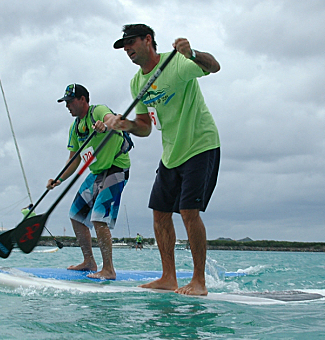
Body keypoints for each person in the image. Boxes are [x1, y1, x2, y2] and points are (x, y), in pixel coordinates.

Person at [108, 24, 221, 295]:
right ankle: (168, 277)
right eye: (123, 46)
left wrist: (192, 53)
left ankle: (199, 281)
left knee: (188, 212)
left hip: (200, 144)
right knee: (159, 213)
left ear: (148, 40)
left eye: (131, 42)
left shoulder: (178, 64)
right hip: (171, 152)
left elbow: (214, 66)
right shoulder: (137, 82)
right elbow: (145, 126)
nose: (127, 49)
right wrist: (126, 125)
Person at [47, 83, 131, 280]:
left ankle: (108, 269)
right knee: (76, 215)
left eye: (70, 101)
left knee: (98, 218)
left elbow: (113, 119)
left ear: (82, 100)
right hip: (96, 172)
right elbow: (74, 159)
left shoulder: (98, 111)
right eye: (65, 102)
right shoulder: (75, 127)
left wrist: (105, 125)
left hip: (116, 167)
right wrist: (58, 179)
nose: (67, 106)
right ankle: (89, 262)